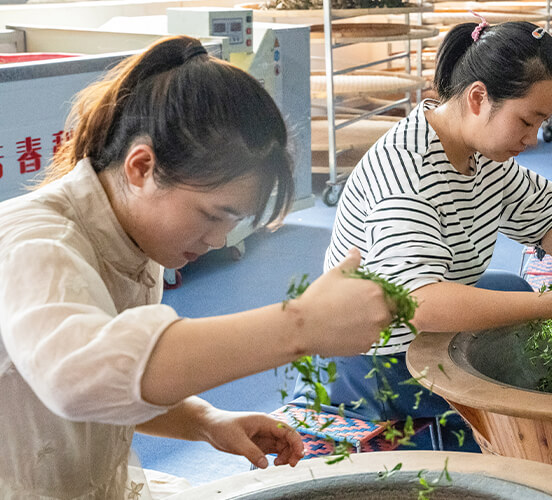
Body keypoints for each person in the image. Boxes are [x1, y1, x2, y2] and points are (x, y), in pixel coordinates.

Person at [0, 35, 396, 499]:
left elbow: (114, 390)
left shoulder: (133, 237)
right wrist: (302, 326)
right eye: (212, 215)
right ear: (142, 167)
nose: (218, 240)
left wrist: (204, 421)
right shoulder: (35, 241)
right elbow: (79, 376)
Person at [294, 21, 552, 449]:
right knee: (507, 419)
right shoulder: (408, 177)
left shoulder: (477, 150)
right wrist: (551, 305)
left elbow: (546, 217)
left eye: (542, 122)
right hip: (374, 355)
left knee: (508, 287)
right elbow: (421, 302)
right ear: (479, 98)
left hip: (419, 316)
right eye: (526, 120)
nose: (532, 138)